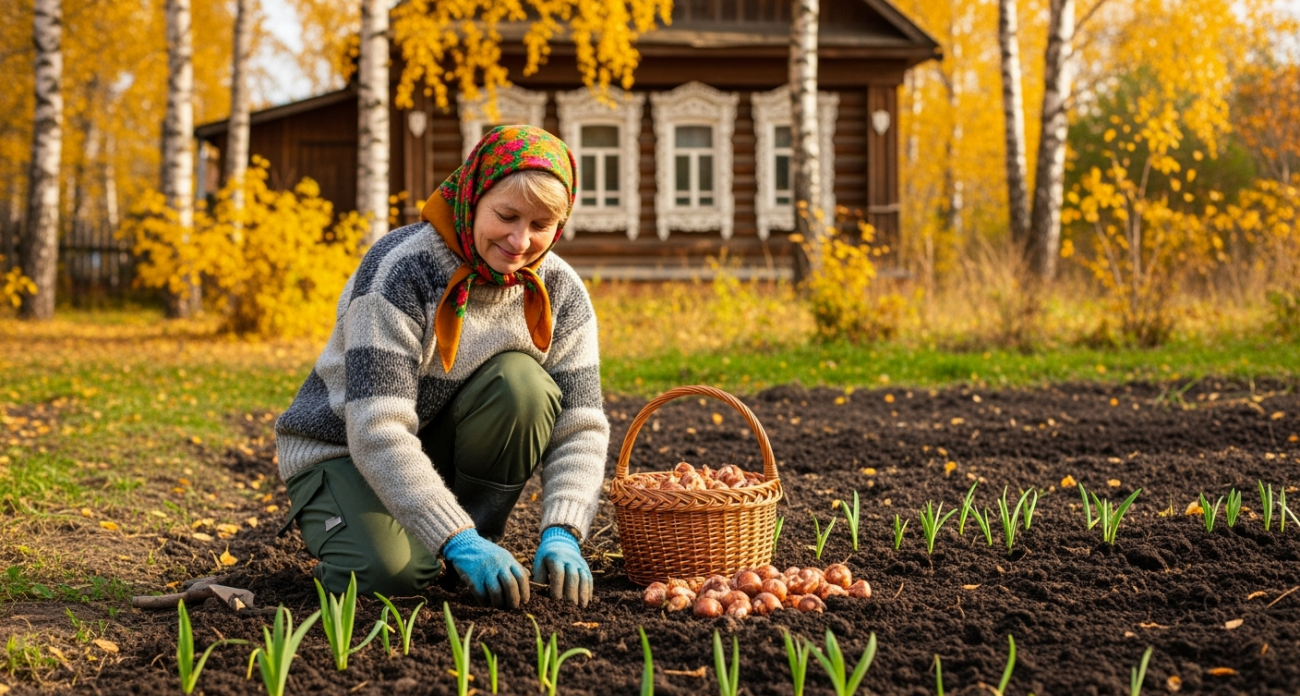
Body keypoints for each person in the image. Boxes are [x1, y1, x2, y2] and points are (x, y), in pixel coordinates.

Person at [274, 125, 608, 609]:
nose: (520, 241)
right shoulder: (402, 269)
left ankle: (463, 542)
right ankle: (434, 542)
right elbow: (376, 427)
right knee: (391, 574)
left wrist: (564, 528)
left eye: (541, 226)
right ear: (472, 199)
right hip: (344, 450)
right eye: (507, 216)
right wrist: (456, 539)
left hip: (433, 448)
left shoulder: (561, 290)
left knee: (524, 385)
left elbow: (581, 425)